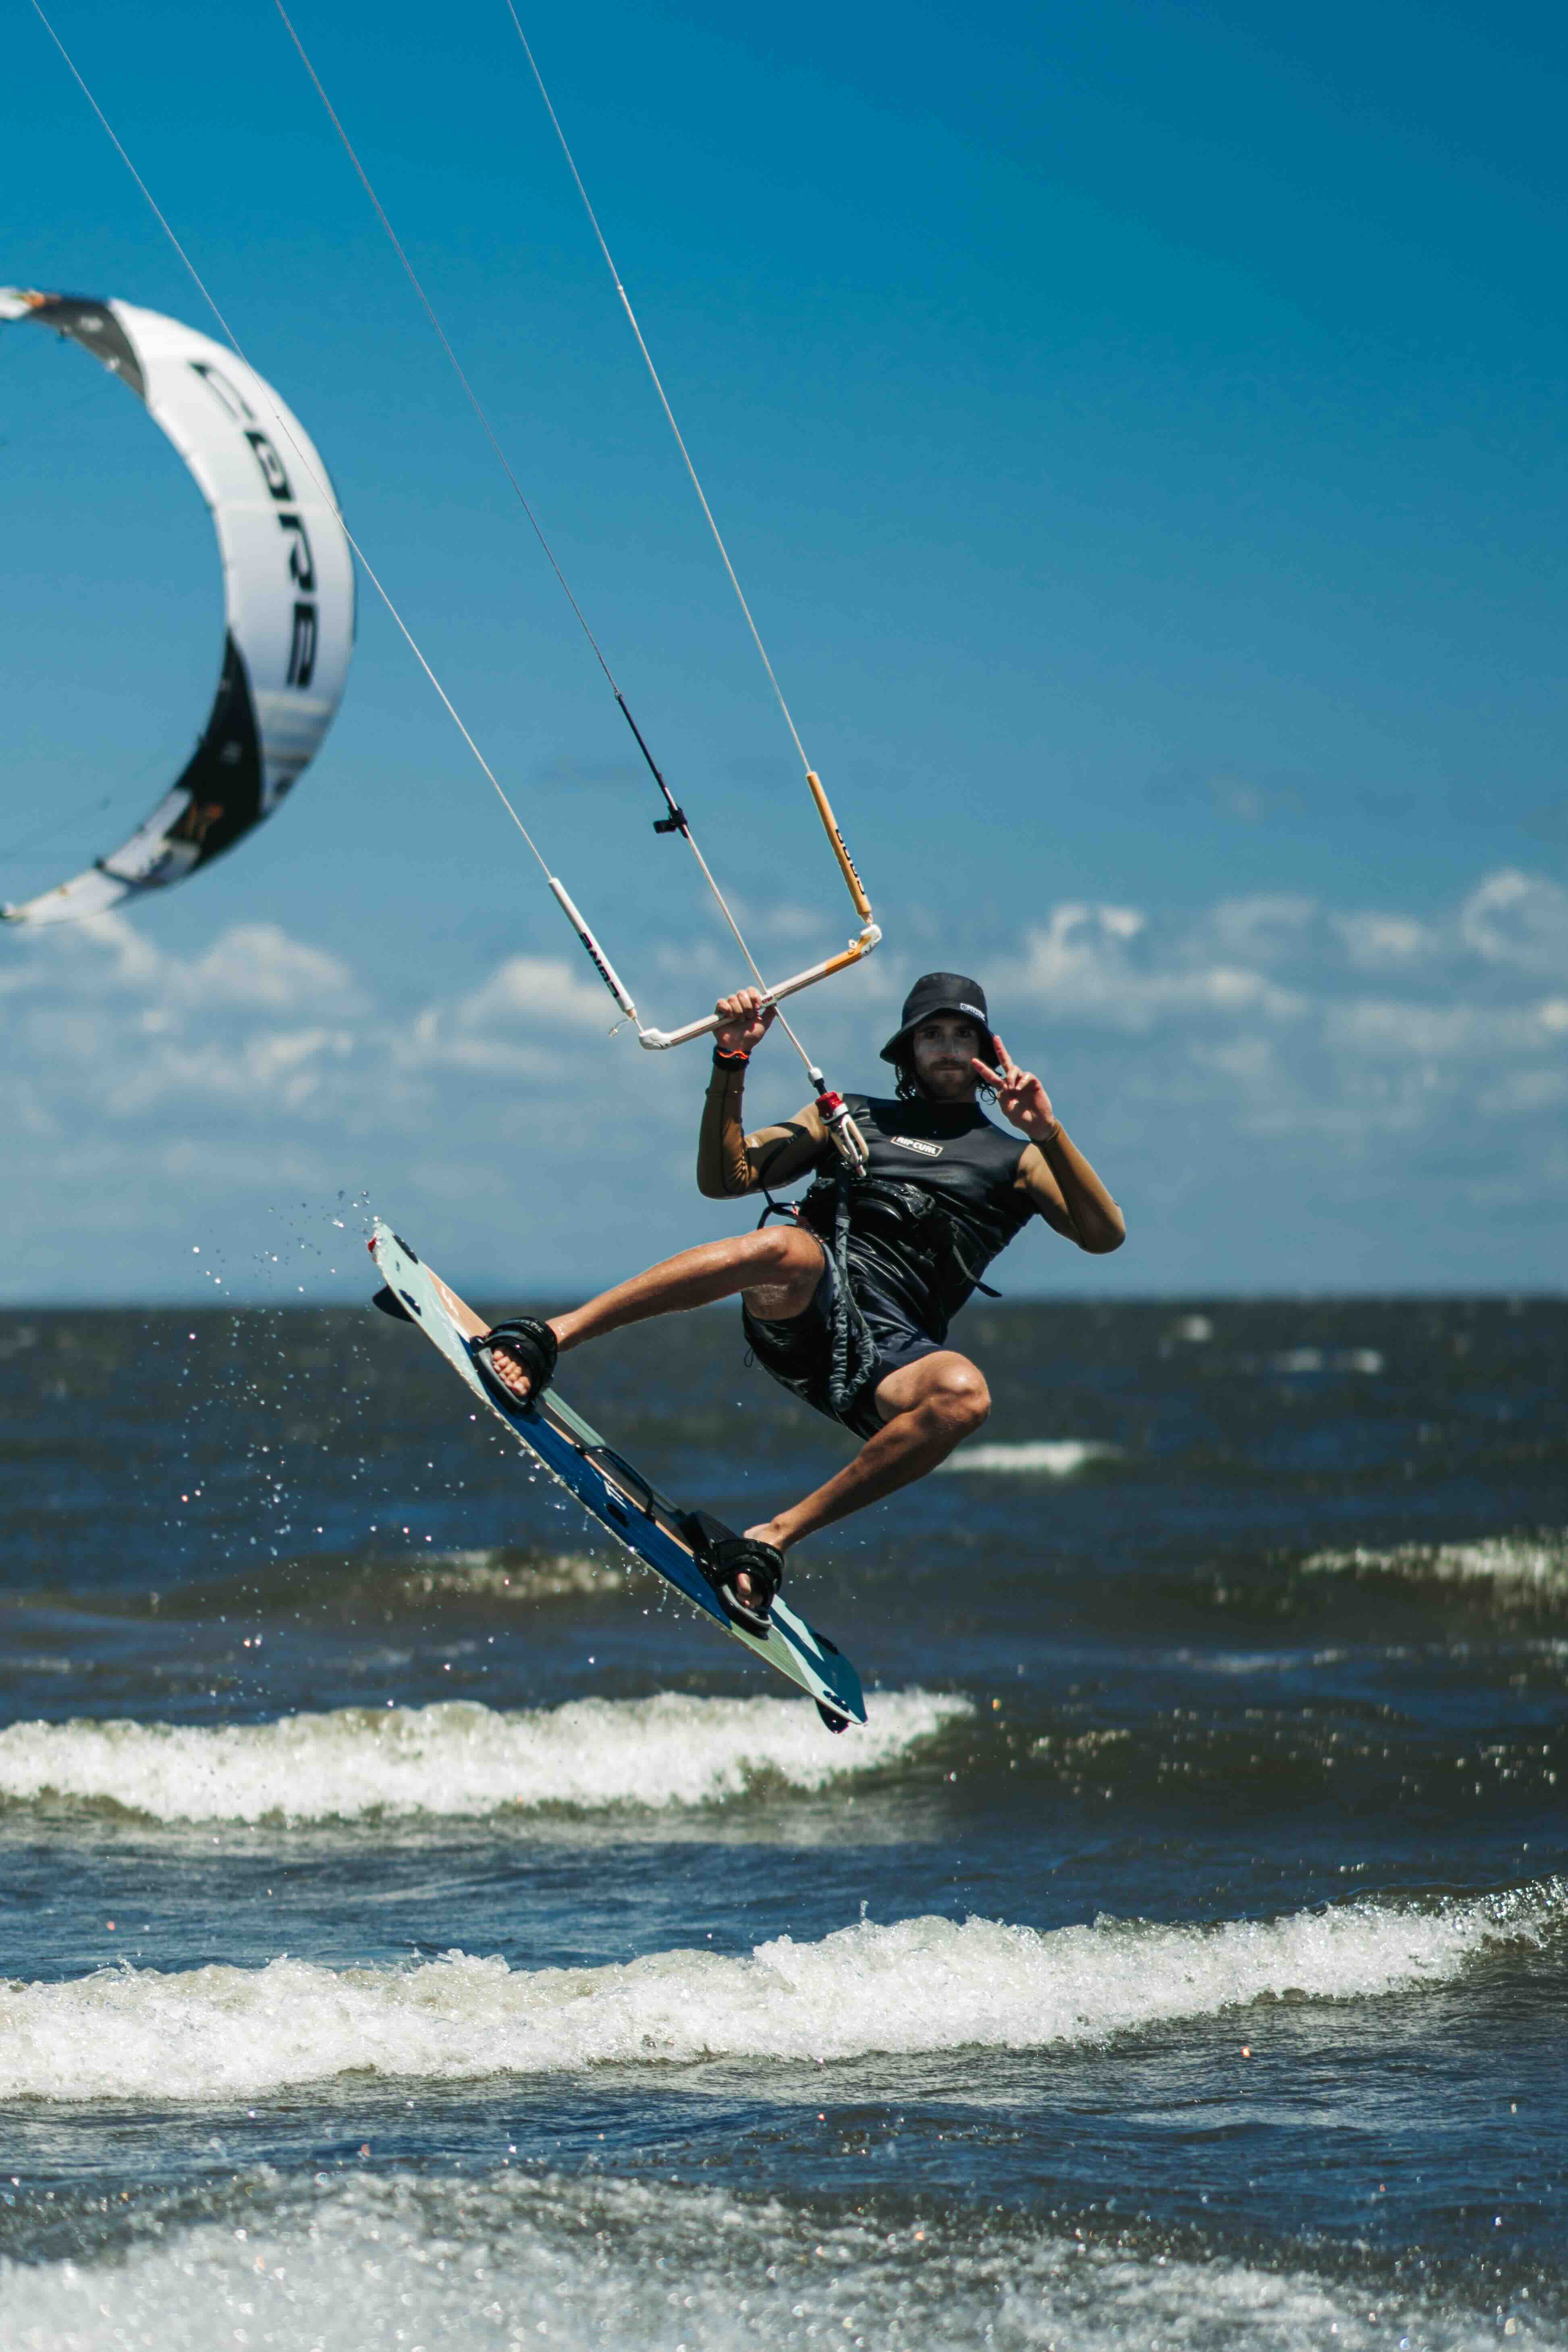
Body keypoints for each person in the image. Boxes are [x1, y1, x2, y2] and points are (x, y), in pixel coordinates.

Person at [476, 971, 1125, 1631]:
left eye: (964, 1035)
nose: (950, 1049)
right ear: (908, 1051)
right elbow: (724, 1178)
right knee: (786, 1249)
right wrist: (732, 1058)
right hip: (802, 1310)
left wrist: (1049, 1132)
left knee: (965, 1392)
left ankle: (770, 1540)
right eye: (933, 1035)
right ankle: (552, 1337)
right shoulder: (848, 1116)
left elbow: (1104, 1236)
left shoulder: (1018, 1159)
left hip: (888, 1357)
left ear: (987, 1047)